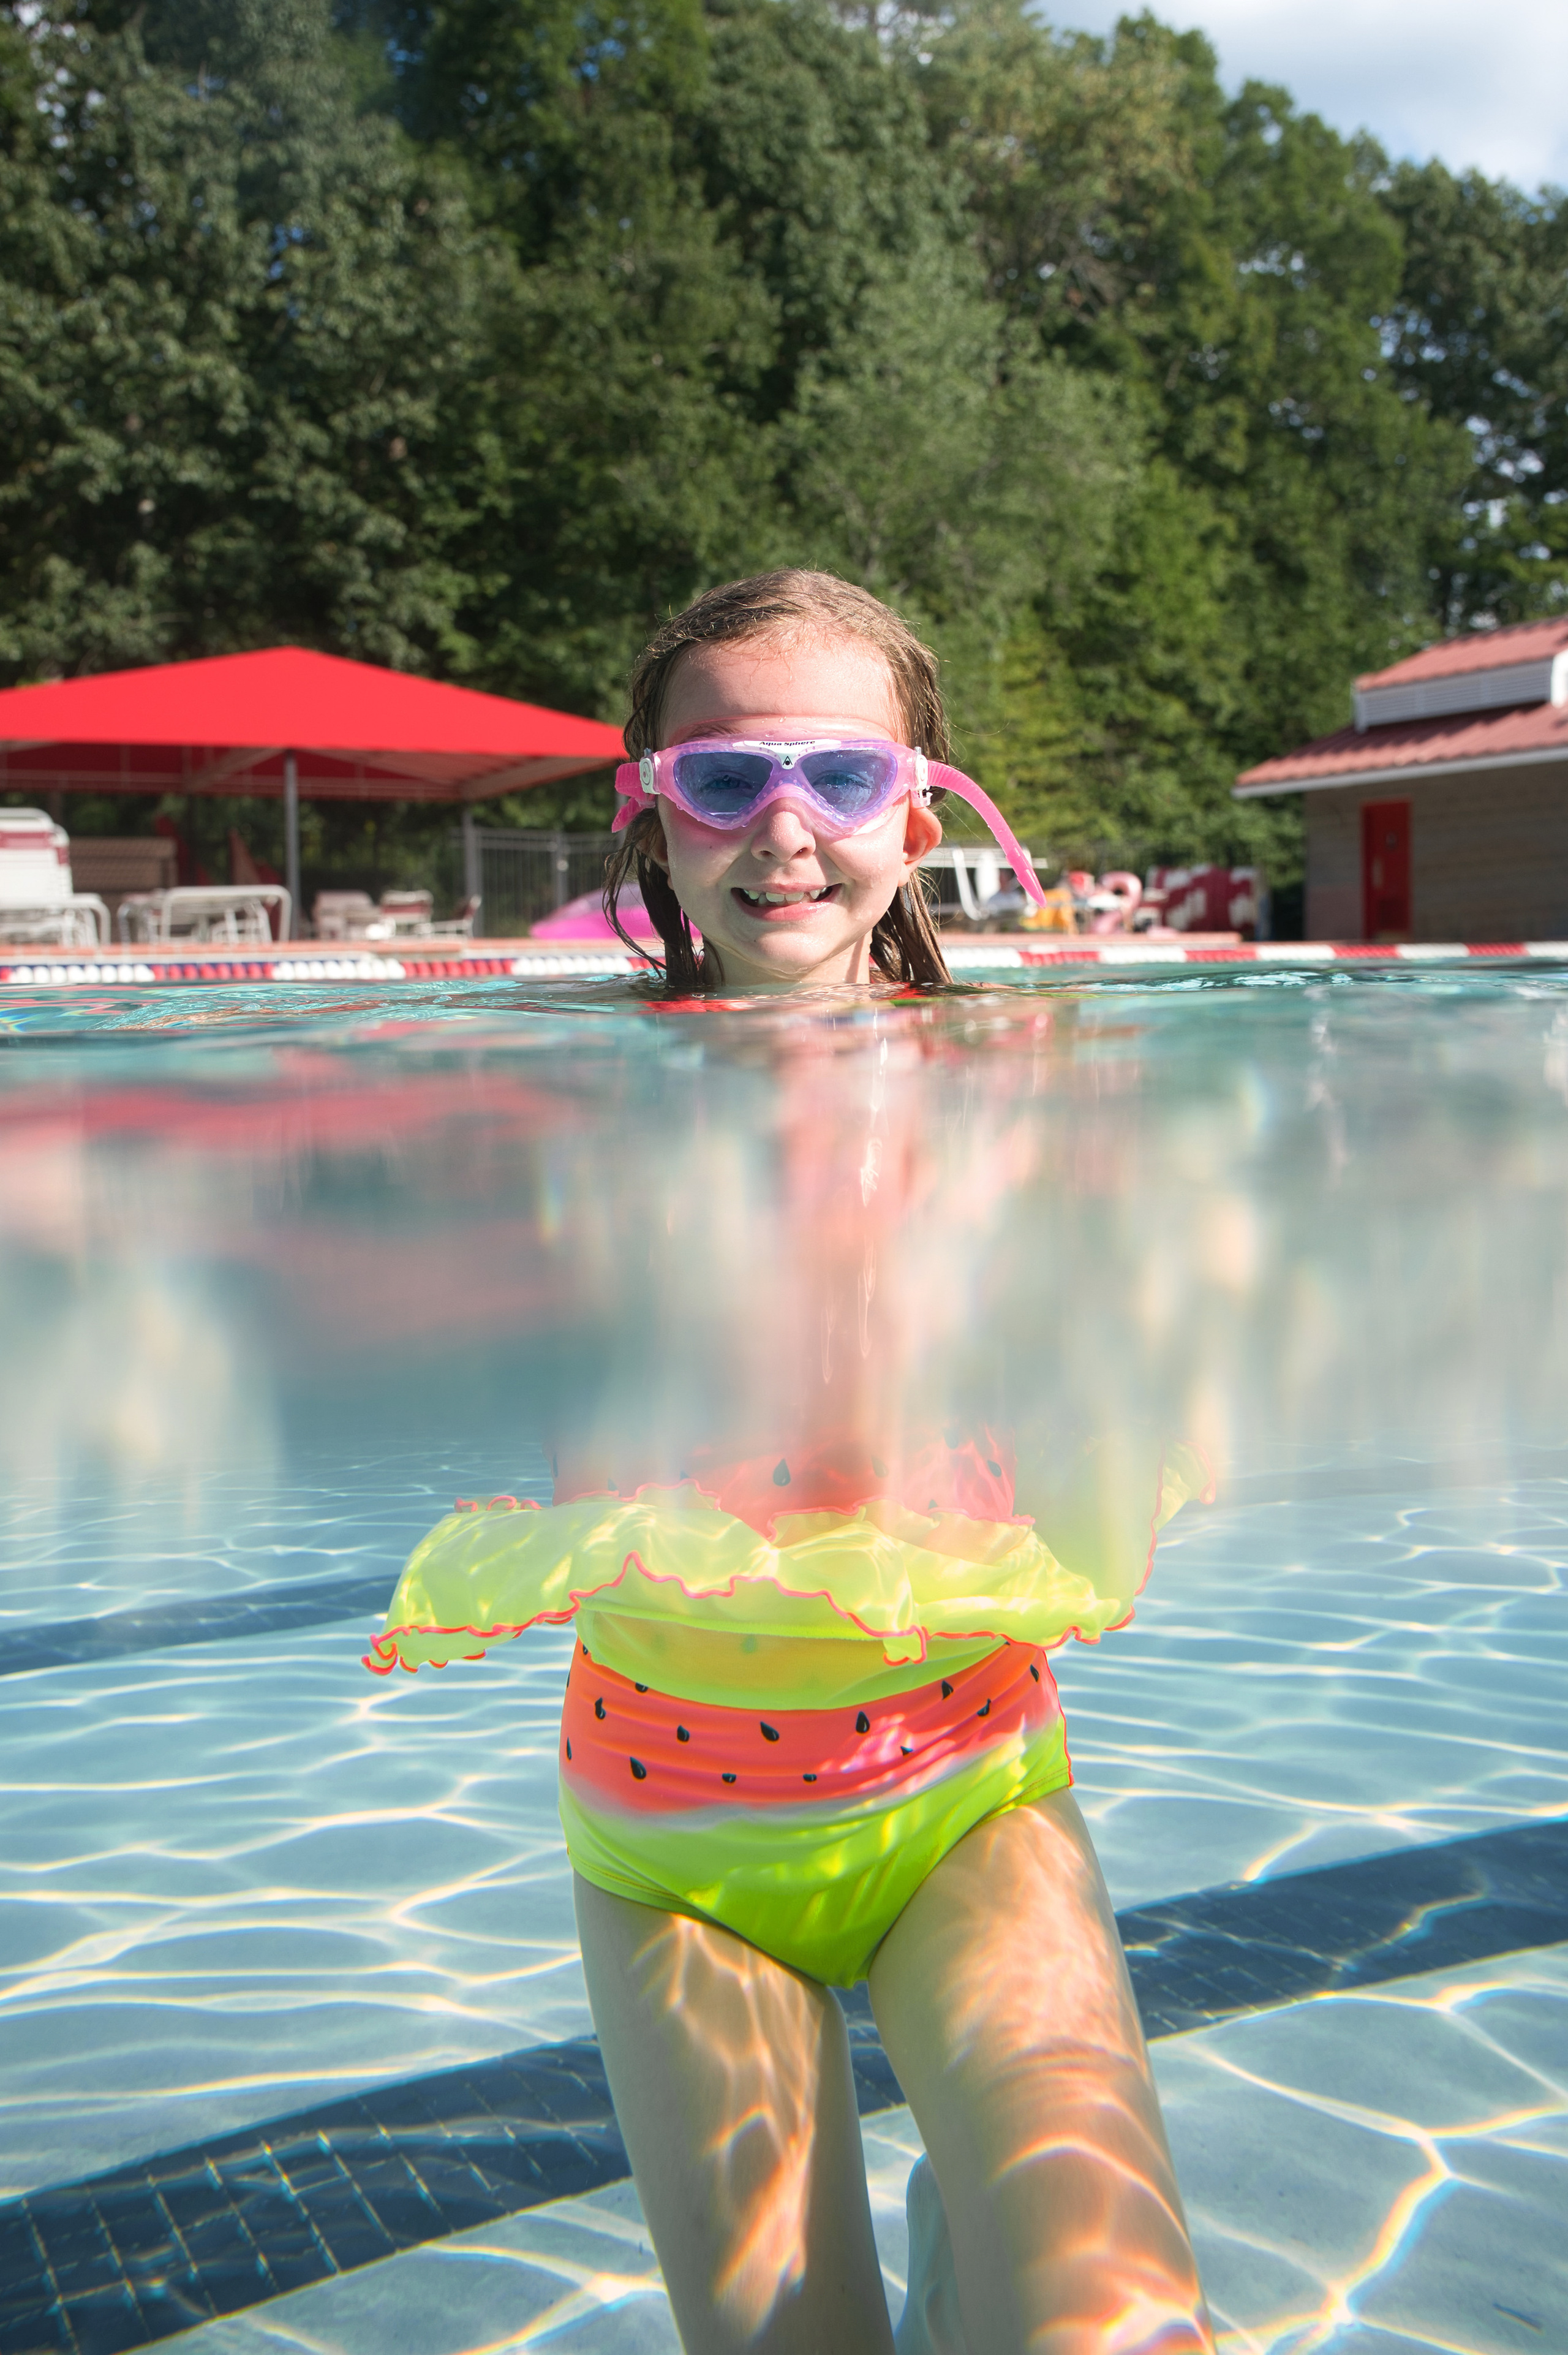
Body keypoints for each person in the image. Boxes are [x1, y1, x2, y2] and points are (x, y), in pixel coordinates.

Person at [369, 571, 1215, 2352]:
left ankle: (973, 2235)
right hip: (677, 1837)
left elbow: (1099, 1391)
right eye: (723, 781)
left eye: (836, 776)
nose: (783, 833)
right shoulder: (572, 1108)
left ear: (918, 807)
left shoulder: (1022, 1090)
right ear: (650, 817)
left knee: (1121, 2325)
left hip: (966, 1778)